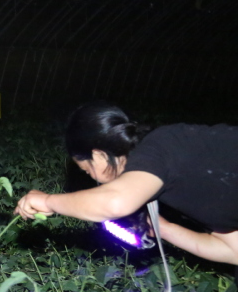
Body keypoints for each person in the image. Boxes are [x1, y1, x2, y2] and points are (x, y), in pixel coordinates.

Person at [14, 101, 238, 266]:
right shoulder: (165, 179)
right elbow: (232, 250)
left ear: (99, 156)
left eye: (87, 170)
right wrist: (164, 229)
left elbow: (115, 203)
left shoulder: (161, 147)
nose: (92, 178)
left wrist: (48, 201)